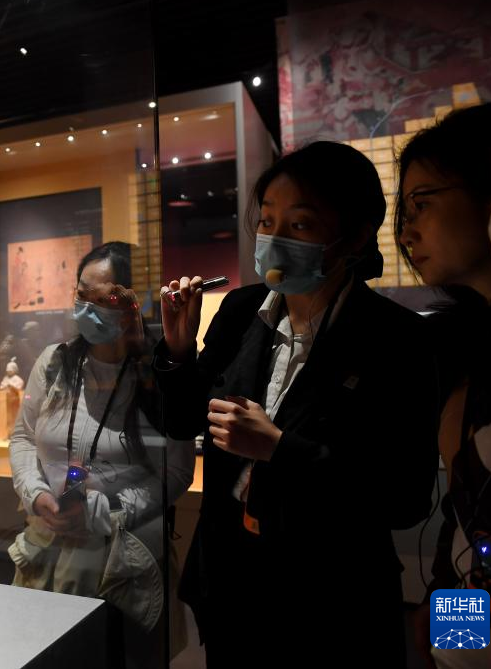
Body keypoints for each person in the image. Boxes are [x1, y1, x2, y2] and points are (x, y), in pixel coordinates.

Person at [155, 141, 438, 666]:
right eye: (267, 221)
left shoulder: (397, 338)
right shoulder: (241, 310)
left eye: (300, 224)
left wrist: (281, 449)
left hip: (333, 603)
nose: (275, 238)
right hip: (232, 586)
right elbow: (180, 421)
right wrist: (177, 350)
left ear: (356, 234)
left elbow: (404, 498)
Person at [9, 241, 194, 668]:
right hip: (48, 549)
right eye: (82, 294)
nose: (88, 308)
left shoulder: (158, 374)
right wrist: (37, 494)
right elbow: (22, 438)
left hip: (124, 563)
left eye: (105, 298)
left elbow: (176, 470)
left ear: (133, 301)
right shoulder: (54, 362)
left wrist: (104, 510)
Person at [394, 101, 491, 669]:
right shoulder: (469, 342)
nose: (406, 232)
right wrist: (444, 606)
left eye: (423, 204)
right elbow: (467, 521)